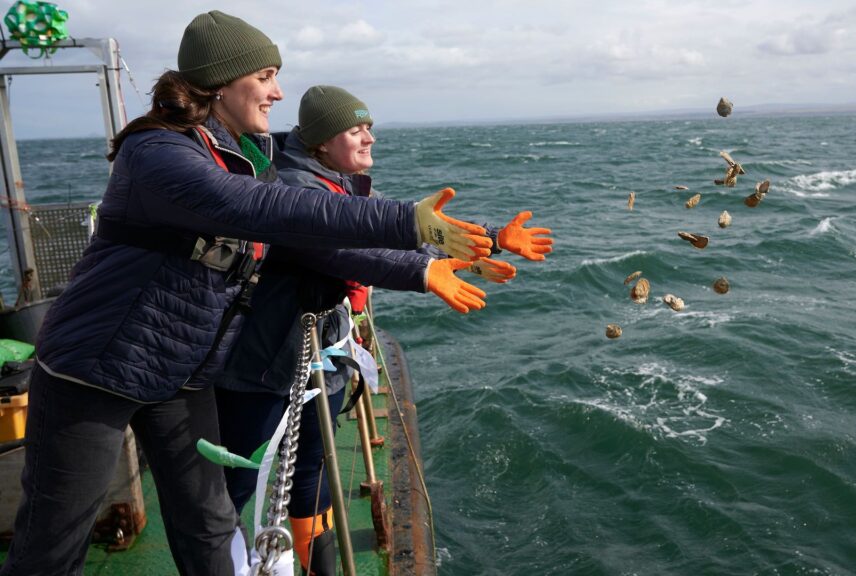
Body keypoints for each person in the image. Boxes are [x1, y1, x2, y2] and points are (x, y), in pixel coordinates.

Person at [0, 11, 506, 576]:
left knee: (211, 524)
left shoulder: (243, 156)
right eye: (265, 75)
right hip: (95, 367)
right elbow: (269, 210)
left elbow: (324, 218)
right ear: (220, 83)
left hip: (179, 369)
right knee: (54, 538)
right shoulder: (160, 153)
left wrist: (473, 239)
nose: (277, 91)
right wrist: (410, 223)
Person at [214, 84, 553, 574]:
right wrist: (422, 273)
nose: (369, 138)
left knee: (312, 475)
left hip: (319, 360)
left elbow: (397, 234)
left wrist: (492, 240)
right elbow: (347, 250)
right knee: (231, 485)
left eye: (369, 127)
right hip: (261, 367)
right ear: (322, 142)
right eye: (355, 130)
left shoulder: (336, 181)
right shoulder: (291, 190)